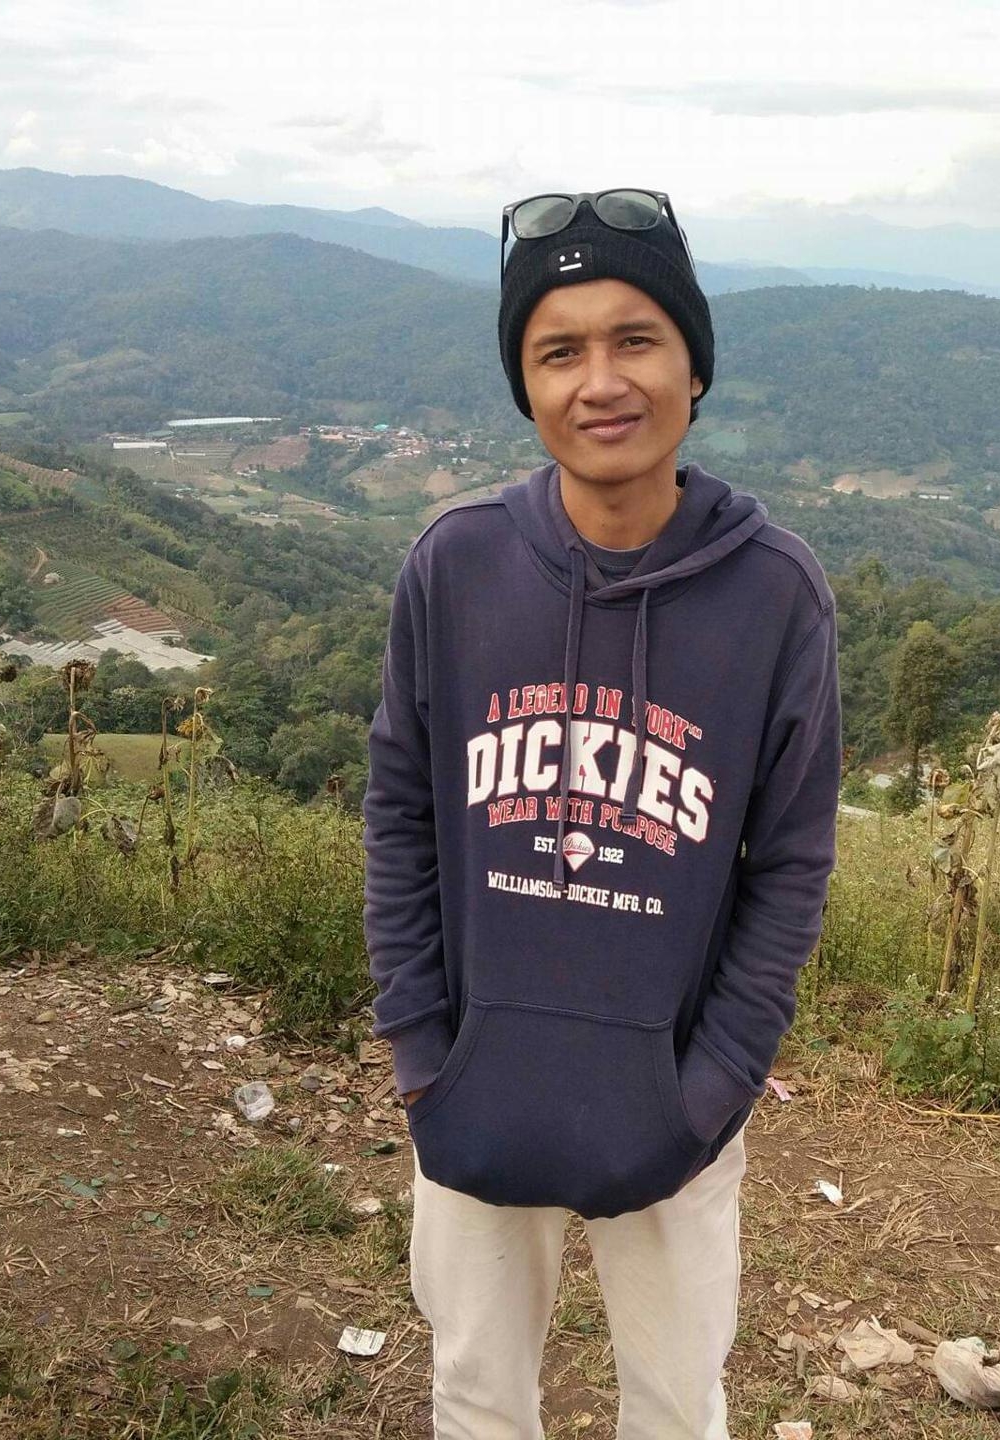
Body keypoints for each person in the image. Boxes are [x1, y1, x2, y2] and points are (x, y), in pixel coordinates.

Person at [362, 187, 842, 1440]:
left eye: (636, 339)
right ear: (525, 385)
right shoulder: (456, 564)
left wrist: (713, 1084)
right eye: (558, 351)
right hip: (477, 1072)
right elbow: (401, 810)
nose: (601, 382)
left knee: (677, 1404)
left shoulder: (774, 594)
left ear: (695, 364)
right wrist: (421, 1047)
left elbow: (790, 862)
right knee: (476, 1393)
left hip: (671, 1092)